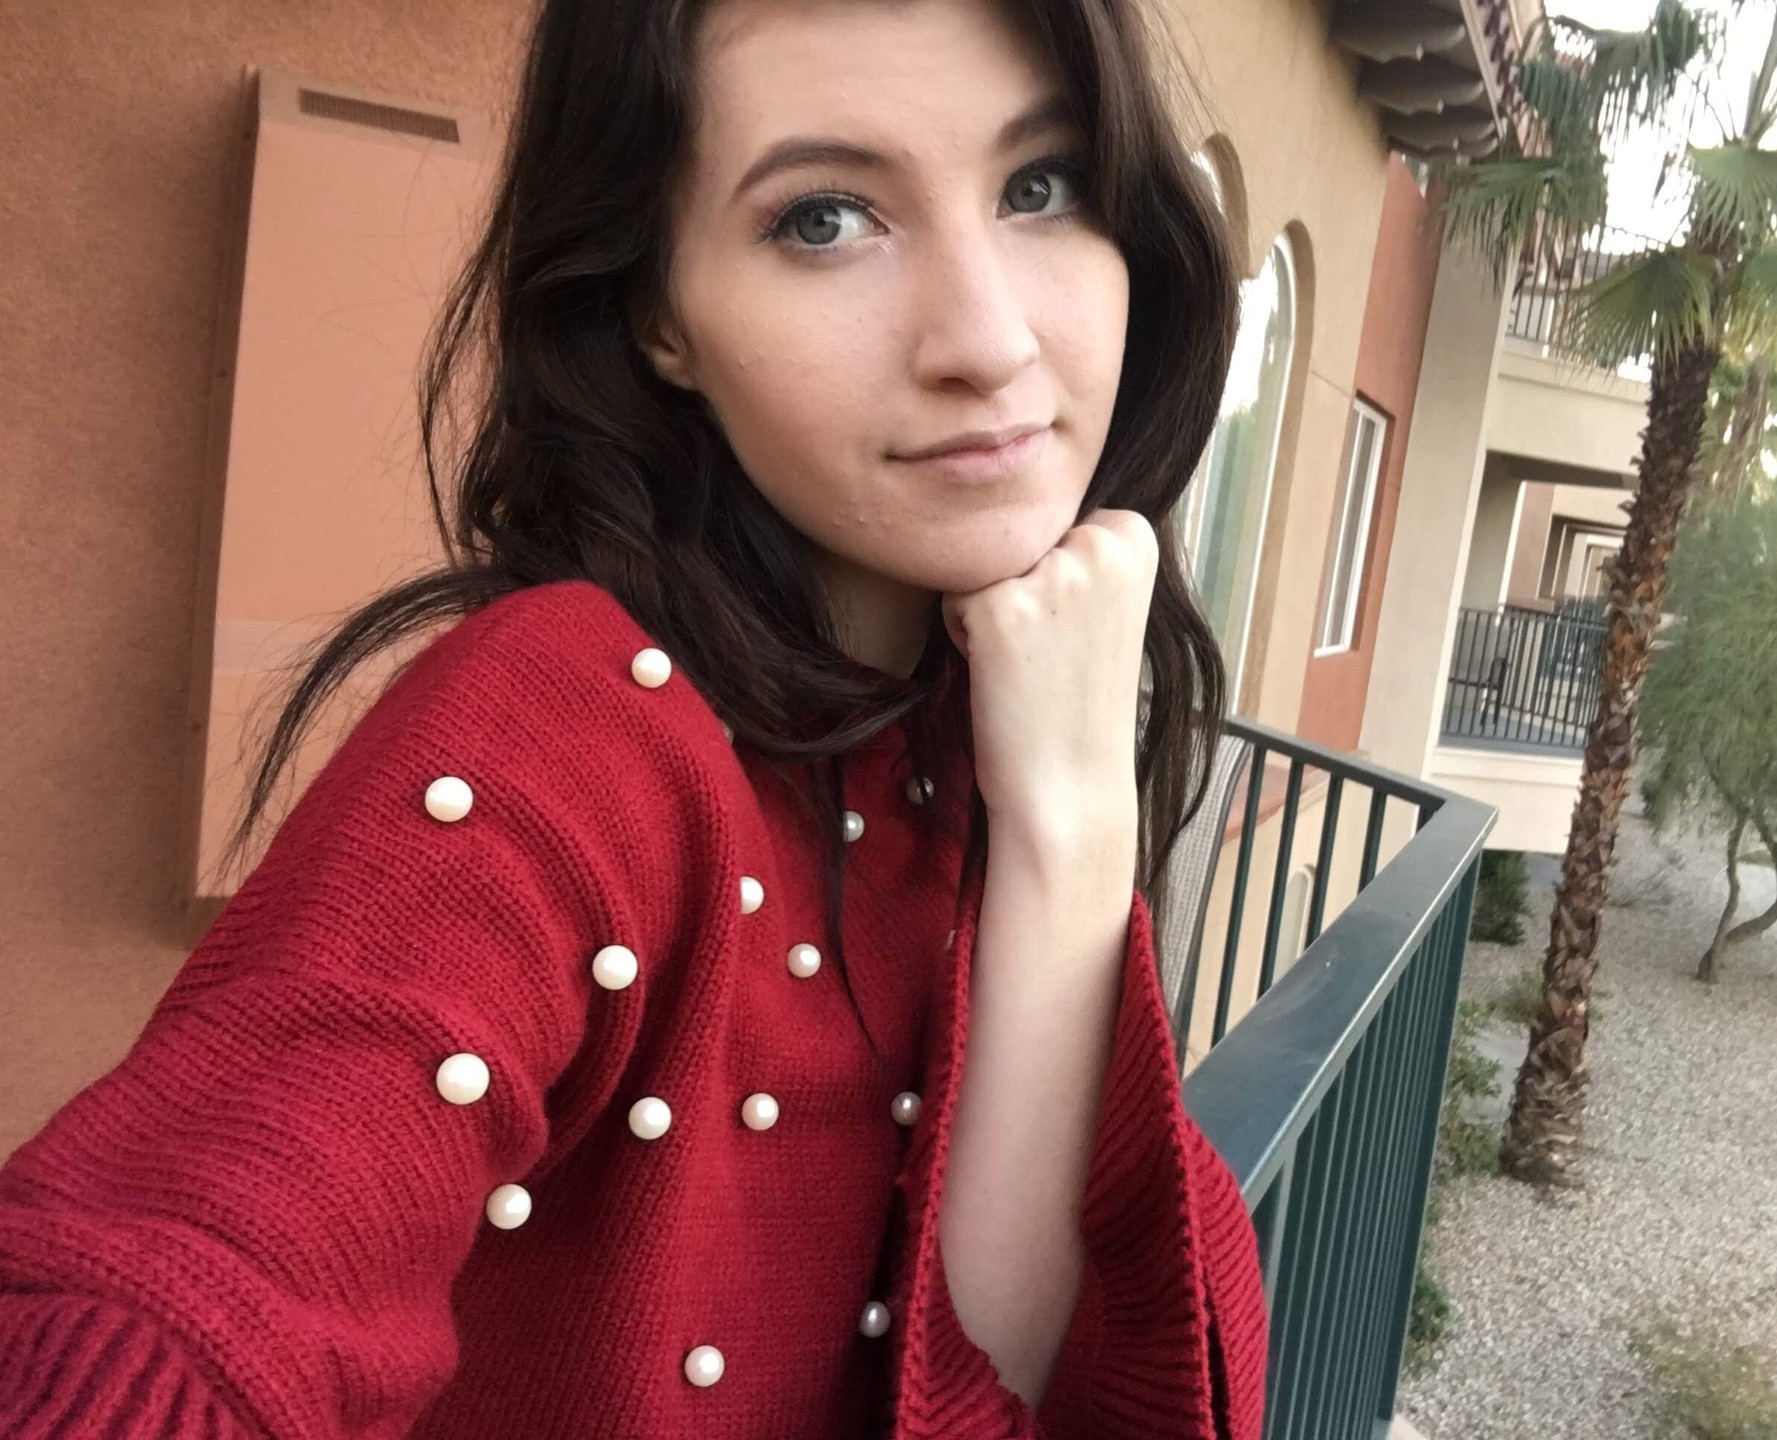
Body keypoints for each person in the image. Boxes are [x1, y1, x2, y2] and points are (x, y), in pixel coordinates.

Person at [0, 0, 1269, 1431]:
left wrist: (1073, 824)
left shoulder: (995, 718)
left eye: (1041, 185)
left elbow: (1031, 1379)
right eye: (826, 218)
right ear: (660, 312)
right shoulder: (565, 720)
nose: (985, 339)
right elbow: (190, 1279)